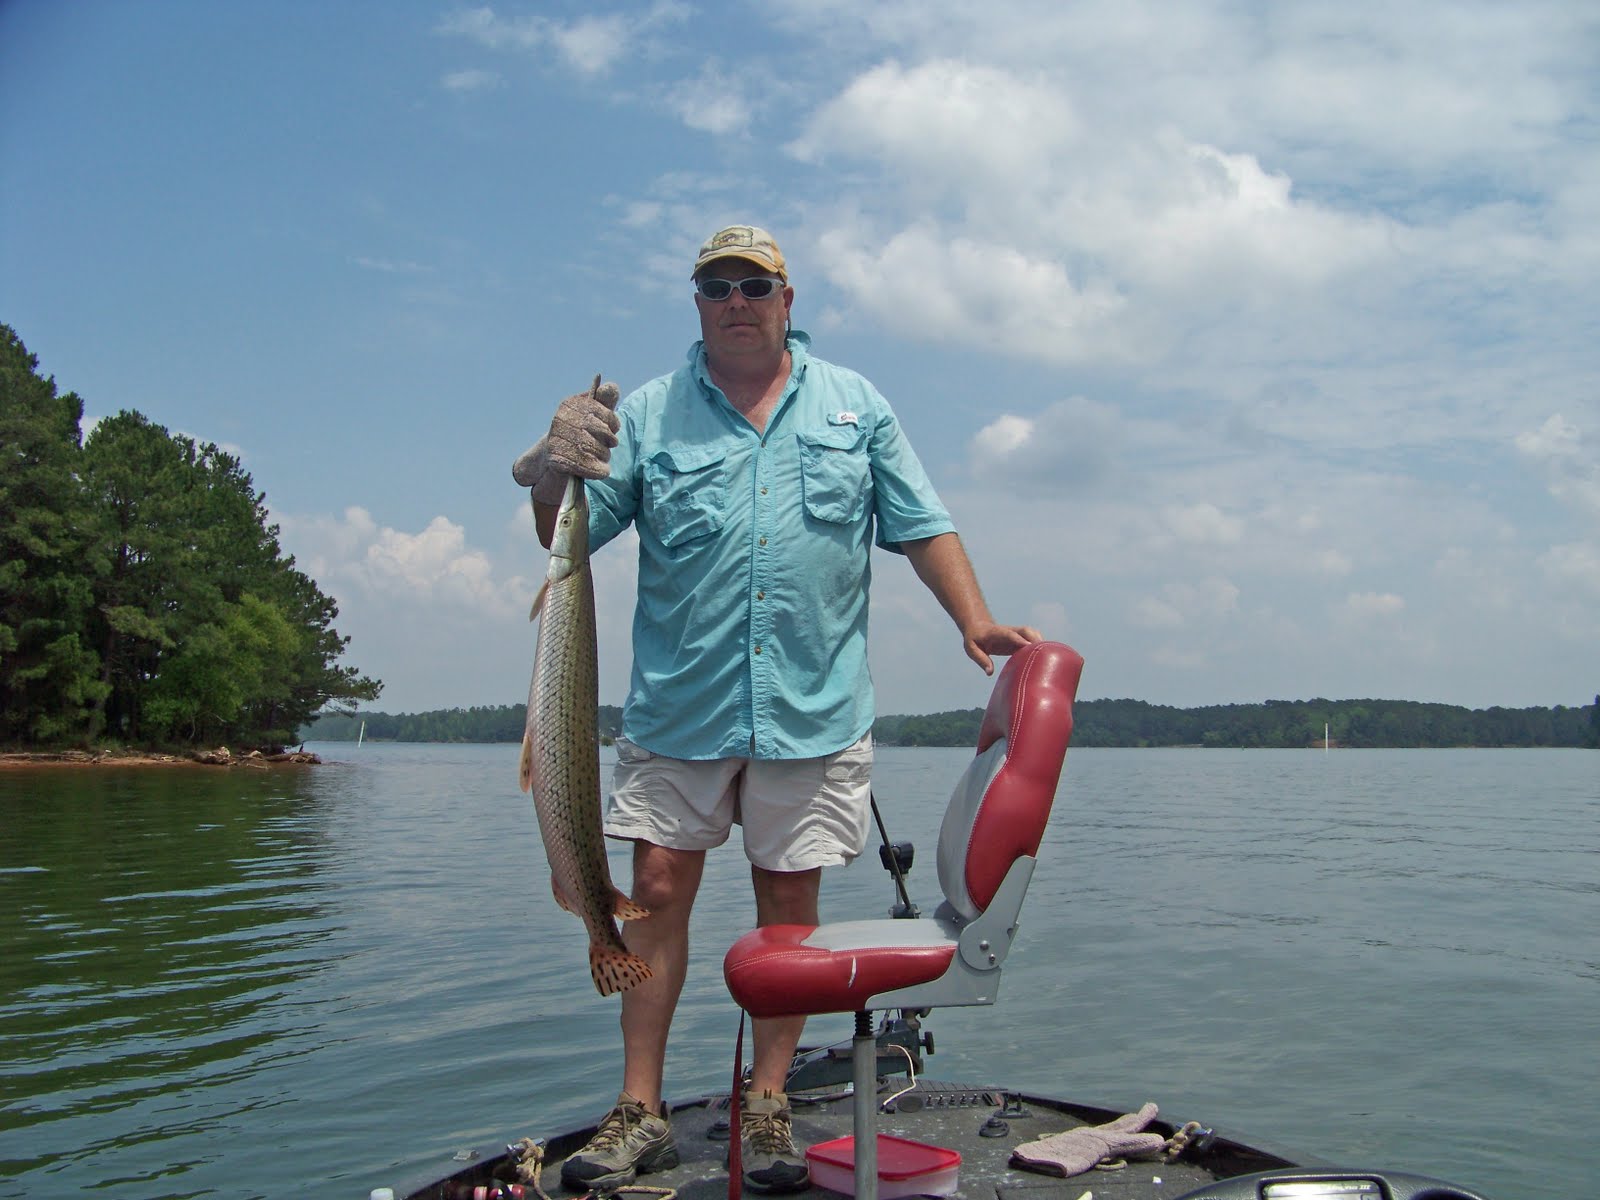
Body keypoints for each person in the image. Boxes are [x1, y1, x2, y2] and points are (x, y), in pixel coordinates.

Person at [512, 224, 1042, 1194]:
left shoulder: (854, 406)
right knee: (655, 893)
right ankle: (639, 1108)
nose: (737, 300)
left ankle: (767, 1101)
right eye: (716, 286)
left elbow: (922, 523)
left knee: (787, 908)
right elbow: (564, 539)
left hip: (813, 709)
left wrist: (974, 621)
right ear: (698, 304)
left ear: (787, 300)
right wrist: (554, 470)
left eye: (756, 284)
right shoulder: (653, 413)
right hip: (680, 710)